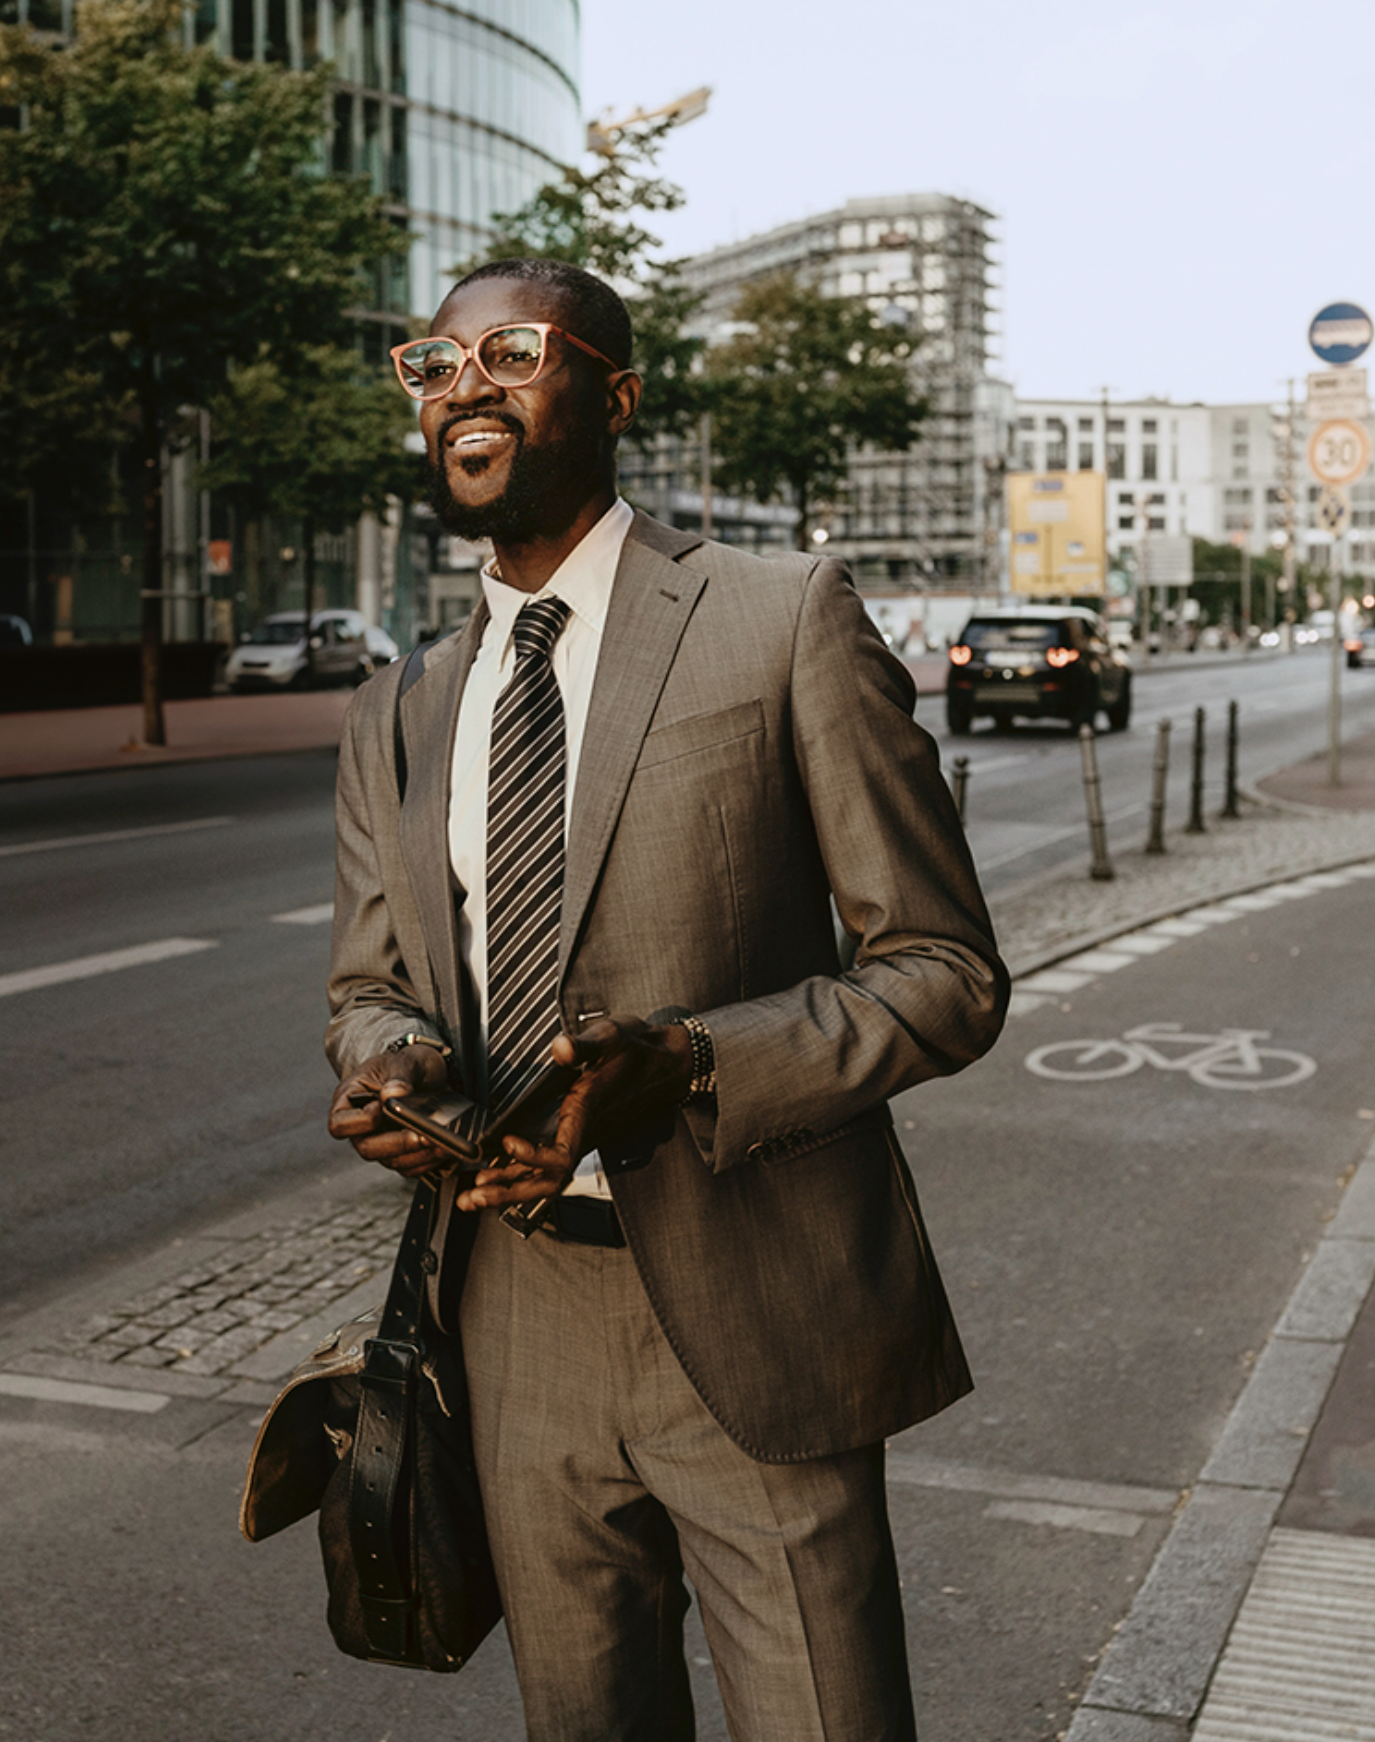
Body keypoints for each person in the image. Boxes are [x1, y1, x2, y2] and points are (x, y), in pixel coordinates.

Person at [325, 257, 1007, 1741]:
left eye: (511, 352)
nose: (464, 389)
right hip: (509, 1314)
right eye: (432, 369)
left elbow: (946, 974)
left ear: (616, 395)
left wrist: (691, 1062)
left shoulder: (781, 615)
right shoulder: (397, 706)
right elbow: (370, 982)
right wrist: (396, 1067)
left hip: (761, 1290)